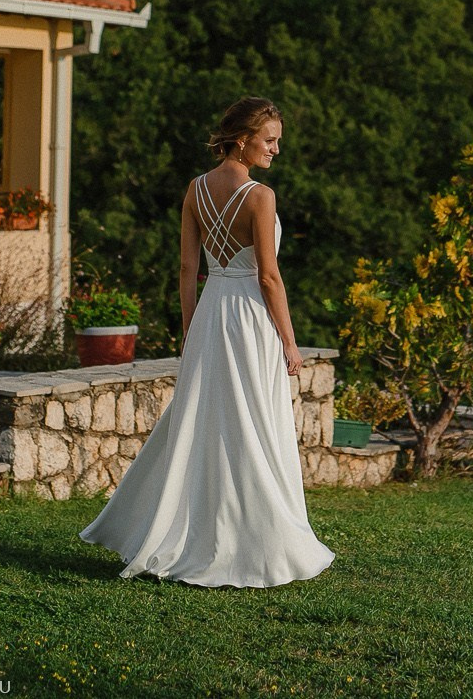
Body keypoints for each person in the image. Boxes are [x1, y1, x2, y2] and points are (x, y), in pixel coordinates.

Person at [78, 96, 336, 588]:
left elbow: (186, 269)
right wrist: (290, 340)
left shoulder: (195, 189)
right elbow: (269, 277)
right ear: (243, 139)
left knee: (206, 422)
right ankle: (260, 543)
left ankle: (188, 532)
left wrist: (191, 325)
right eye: (271, 140)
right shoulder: (261, 197)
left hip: (211, 313)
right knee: (254, 422)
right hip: (250, 319)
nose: (276, 149)